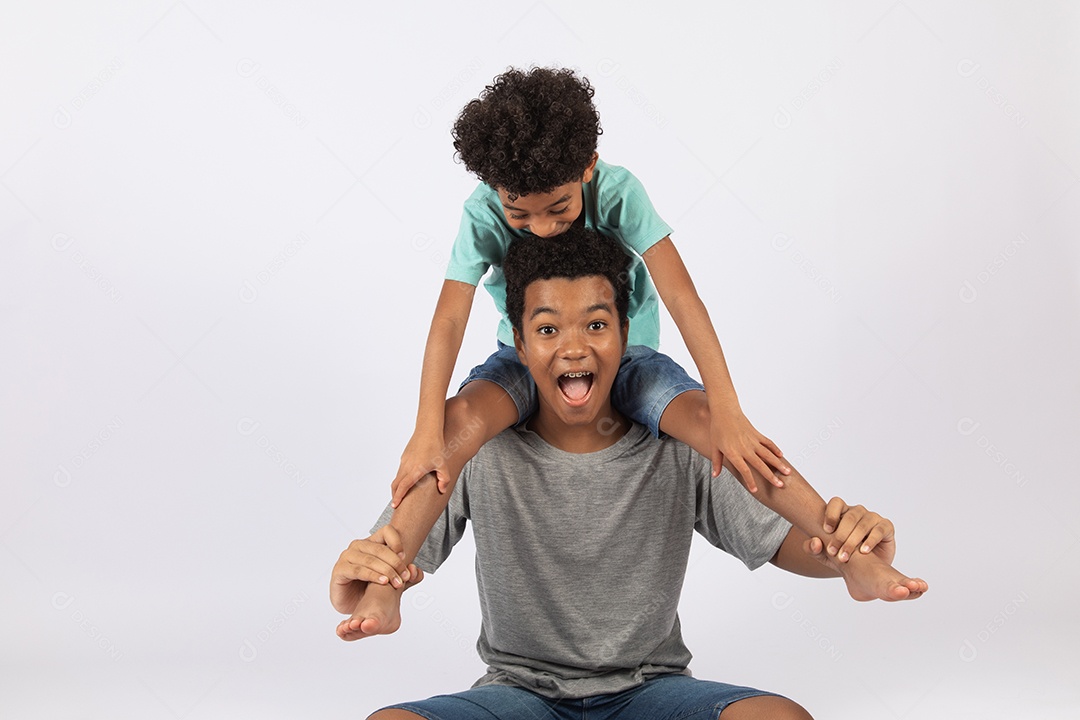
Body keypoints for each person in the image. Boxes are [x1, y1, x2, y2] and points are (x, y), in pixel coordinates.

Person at [331, 228, 928, 719]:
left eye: (596, 324)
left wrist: (847, 549)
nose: (573, 348)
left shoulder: (676, 443)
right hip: (517, 694)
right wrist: (364, 583)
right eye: (546, 329)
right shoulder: (479, 447)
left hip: (650, 690)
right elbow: (394, 554)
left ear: (625, 334)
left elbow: (782, 540)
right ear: (517, 342)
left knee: (779, 718)